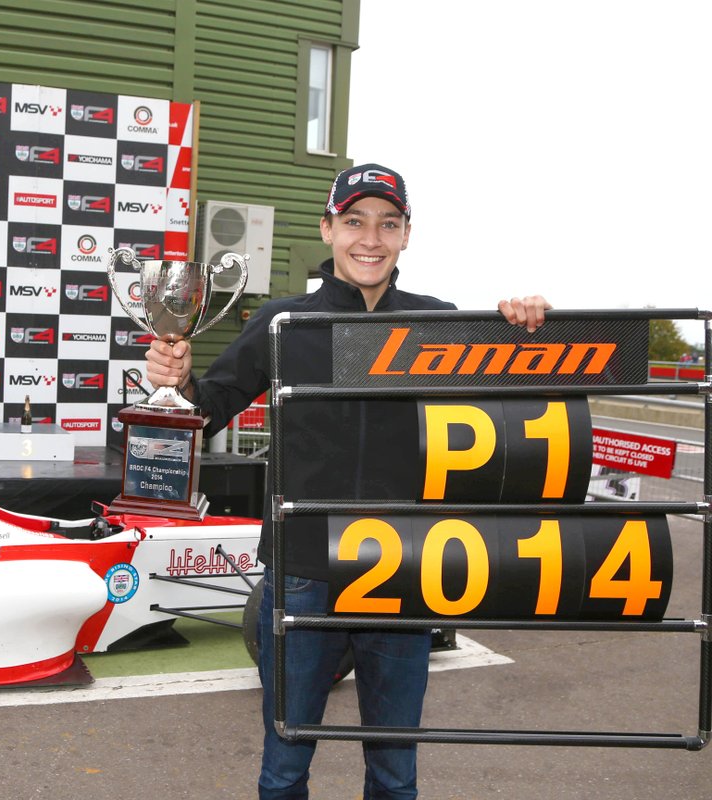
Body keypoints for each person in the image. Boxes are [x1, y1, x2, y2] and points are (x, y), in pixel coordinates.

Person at [144, 163, 550, 800]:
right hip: (304, 569)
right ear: (328, 229)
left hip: (403, 566)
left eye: (388, 224)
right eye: (355, 221)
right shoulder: (283, 322)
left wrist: (526, 321)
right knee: (284, 768)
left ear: (407, 235)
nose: (371, 238)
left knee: (395, 773)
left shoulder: (438, 322)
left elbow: (528, 381)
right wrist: (176, 380)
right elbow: (207, 408)